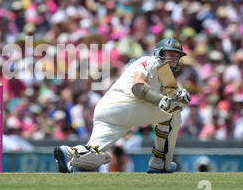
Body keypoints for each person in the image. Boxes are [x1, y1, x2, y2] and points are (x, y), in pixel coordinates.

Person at [54, 38, 191, 173]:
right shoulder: (150, 61)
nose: (172, 59)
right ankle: (160, 163)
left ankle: (69, 153)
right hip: (126, 104)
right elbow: (138, 87)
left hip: (106, 110)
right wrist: (164, 101)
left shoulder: (166, 75)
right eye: (169, 54)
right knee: (173, 115)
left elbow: (175, 99)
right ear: (159, 53)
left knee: (98, 154)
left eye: (176, 56)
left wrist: (182, 98)